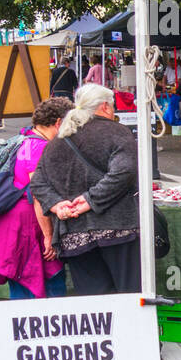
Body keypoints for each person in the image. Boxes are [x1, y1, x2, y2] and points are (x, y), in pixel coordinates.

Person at [30, 84, 140, 295]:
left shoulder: (59, 139)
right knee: (130, 298)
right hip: (118, 229)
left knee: (95, 305)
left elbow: (37, 183)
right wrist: (90, 200)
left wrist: (56, 204)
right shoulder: (118, 132)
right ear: (105, 107)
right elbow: (123, 173)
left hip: (73, 233)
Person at [0, 97, 74, 298]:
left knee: (21, 287)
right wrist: (48, 236)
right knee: (45, 287)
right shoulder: (40, 147)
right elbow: (39, 194)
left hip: (12, 223)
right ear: (58, 123)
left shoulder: (24, 139)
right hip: (29, 224)